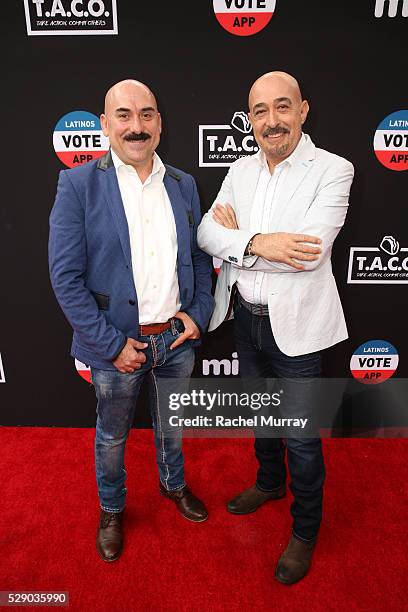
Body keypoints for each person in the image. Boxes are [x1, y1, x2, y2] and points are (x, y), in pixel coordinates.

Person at [197, 71, 354, 585]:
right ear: (251, 118)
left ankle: (305, 531)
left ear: (303, 111)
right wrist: (260, 242)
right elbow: (205, 232)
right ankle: (269, 483)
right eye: (260, 111)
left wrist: (239, 239)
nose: (271, 121)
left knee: (302, 439)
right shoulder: (240, 171)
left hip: (299, 329)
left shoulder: (334, 170)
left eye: (282, 107)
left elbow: (307, 255)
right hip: (246, 318)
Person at [49, 79, 214, 562]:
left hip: (176, 340)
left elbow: (202, 260)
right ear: (105, 124)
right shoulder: (78, 185)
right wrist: (109, 344)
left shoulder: (184, 185)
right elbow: (65, 277)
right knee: (112, 434)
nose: (135, 126)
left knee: (173, 425)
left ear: (160, 123)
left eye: (146, 115)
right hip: (116, 345)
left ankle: (174, 484)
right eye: (123, 115)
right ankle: (112, 508)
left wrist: (197, 317)